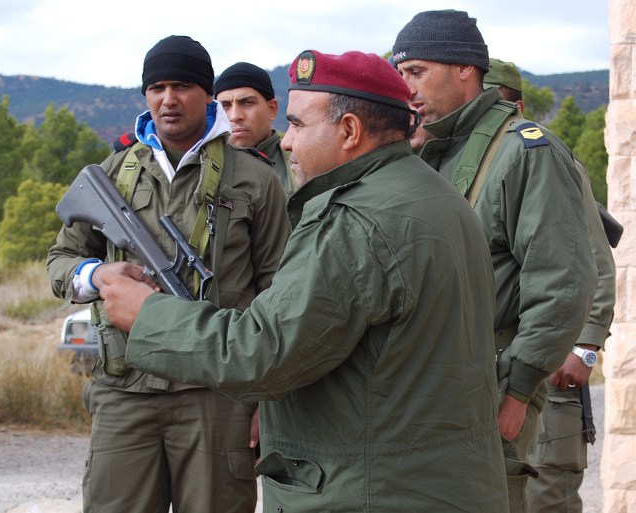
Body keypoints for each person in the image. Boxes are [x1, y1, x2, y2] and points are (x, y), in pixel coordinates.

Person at [96, 49, 509, 513]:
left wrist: (147, 315)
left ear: (349, 131)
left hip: (367, 492)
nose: (287, 143)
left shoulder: (354, 222)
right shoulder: (437, 196)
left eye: (297, 125)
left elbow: (263, 352)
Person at [47, 35, 291, 513]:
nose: (168, 99)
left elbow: (278, 294)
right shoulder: (115, 171)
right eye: (157, 88)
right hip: (125, 389)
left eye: (182, 86)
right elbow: (61, 259)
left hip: (217, 393)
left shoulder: (254, 177)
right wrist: (98, 274)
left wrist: (269, 400)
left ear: (206, 93)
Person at [391, 10, 598, 513]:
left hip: (492, 387)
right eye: (399, 73)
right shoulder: (432, 151)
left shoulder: (525, 153)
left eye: (416, 71)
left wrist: (518, 393)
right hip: (427, 386)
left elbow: (562, 285)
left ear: (465, 68)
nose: (405, 87)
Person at [482, 58, 616, 513]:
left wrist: (586, 347)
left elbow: (593, 263)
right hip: (504, 361)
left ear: (517, 107)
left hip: (552, 362)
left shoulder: (544, 160)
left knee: (547, 492)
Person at [214, 61, 296, 192]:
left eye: (247, 103)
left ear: (272, 109)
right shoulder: (204, 166)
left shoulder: (299, 164)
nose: (235, 116)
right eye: (225, 106)